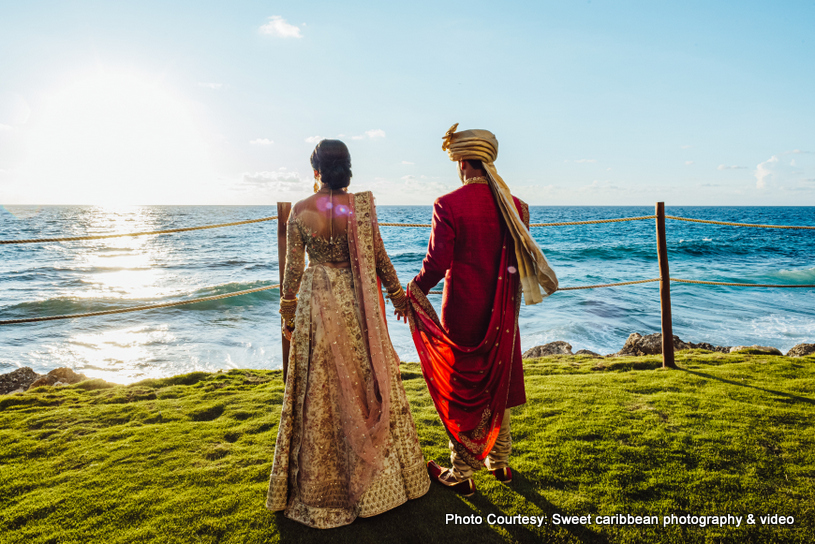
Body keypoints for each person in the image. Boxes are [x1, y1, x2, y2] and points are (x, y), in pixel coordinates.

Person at [266, 140, 430, 528]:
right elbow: (378, 257)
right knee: (366, 379)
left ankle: (323, 488)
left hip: (318, 303)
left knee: (320, 391)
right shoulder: (358, 206)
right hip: (359, 303)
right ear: (348, 169)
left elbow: (292, 273)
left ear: (316, 169)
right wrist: (396, 296)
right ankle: (383, 485)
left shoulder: (301, 210)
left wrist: (288, 315)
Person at [405, 124, 558, 496]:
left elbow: (437, 263)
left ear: (461, 162)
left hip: (463, 310)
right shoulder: (516, 205)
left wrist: (414, 291)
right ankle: (500, 462)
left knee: (464, 389)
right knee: (497, 381)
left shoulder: (448, 204)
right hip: (504, 310)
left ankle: (461, 472)